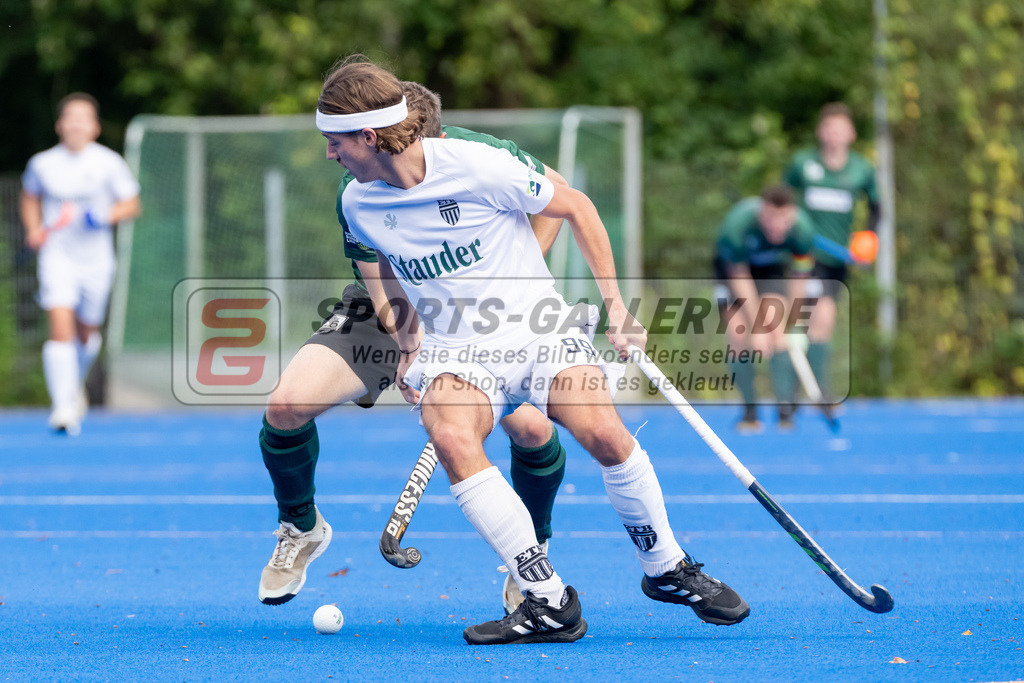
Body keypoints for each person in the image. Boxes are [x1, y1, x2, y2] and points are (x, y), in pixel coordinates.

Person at [319, 57, 749, 645]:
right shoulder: (358, 202)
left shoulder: (475, 166)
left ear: (369, 136)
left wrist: (616, 308)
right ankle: (546, 599)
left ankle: (666, 567)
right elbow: (392, 268)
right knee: (451, 436)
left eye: (335, 141)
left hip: (536, 329)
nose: (329, 154)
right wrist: (407, 339)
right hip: (458, 349)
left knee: (604, 435)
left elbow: (575, 206)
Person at [257, 81, 571, 613]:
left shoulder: (477, 155)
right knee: (285, 406)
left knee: (533, 429)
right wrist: (410, 343)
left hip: (480, 311)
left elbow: (557, 198)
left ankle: (531, 555)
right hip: (392, 306)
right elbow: (374, 273)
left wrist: (516, 279)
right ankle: (301, 527)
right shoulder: (358, 181)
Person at [20, 92, 141, 436]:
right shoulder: (42, 164)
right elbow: (29, 196)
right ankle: (62, 408)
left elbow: (131, 205)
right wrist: (32, 229)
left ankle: (72, 385)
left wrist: (103, 215)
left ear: (95, 127)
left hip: (97, 262)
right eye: (70, 118)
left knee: (86, 332)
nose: (75, 124)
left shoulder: (108, 163)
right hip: (57, 258)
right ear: (59, 125)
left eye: (83, 118)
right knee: (60, 324)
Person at [784, 102, 880, 402]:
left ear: (850, 134)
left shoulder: (862, 169)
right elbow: (782, 201)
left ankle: (818, 386)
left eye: (840, 130)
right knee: (795, 320)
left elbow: (877, 208)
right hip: (802, 255)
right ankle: (792, 389)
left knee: (823, 322)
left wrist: (867, 239)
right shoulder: (803, 164)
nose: (834, 136)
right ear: (820, 132)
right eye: (829, 129)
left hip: (835, 260)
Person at [712, 185, 816, 431]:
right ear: (762, 213)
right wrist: (756, 326)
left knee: (779, 332)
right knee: (738, 334)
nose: (777, 227)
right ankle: (749, 411)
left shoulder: (803, 230)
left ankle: (785, 411)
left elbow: (799, 279)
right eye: (771, 220)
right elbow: (739, 277)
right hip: (734, 274)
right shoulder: (737, 226)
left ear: (793, 215)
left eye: (784, 221)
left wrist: (796, 323)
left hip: (772, 273)